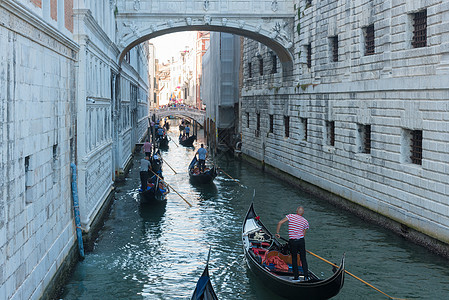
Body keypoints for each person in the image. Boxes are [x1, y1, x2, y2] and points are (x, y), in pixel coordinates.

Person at [275, 206, 309, 282]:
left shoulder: (290, 216)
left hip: (293, 242)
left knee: (294, 258)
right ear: (302, 213)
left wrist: (277, 233)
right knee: (303, 259)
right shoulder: (305, 221)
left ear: (296, 211)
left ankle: (296, 277)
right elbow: (303, 235)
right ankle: (306, 277)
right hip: (301, 241)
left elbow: (279, 223)